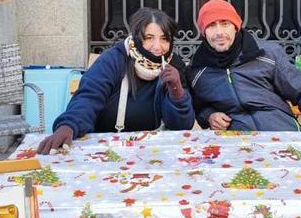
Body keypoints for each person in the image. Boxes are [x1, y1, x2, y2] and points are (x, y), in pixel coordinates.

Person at [37, 8, 194, 154]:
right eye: (149, 38)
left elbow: (181, 126)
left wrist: (176, 90)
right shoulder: (114, 59)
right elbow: (89, 96)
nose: (157, 47)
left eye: (164, 39)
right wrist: (69, 125)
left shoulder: (173, 65)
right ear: (138, 37)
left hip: (150, 151)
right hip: (105, 148)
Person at [186, 0, 301, 132]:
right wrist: (209, 116)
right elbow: (198, 106)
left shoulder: (267, 53)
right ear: (203, 32)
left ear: (236, 27)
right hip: (238, 146)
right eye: (211, 25)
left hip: (283, 135)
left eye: (225, 23)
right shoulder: (198, 70)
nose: (219, 32)